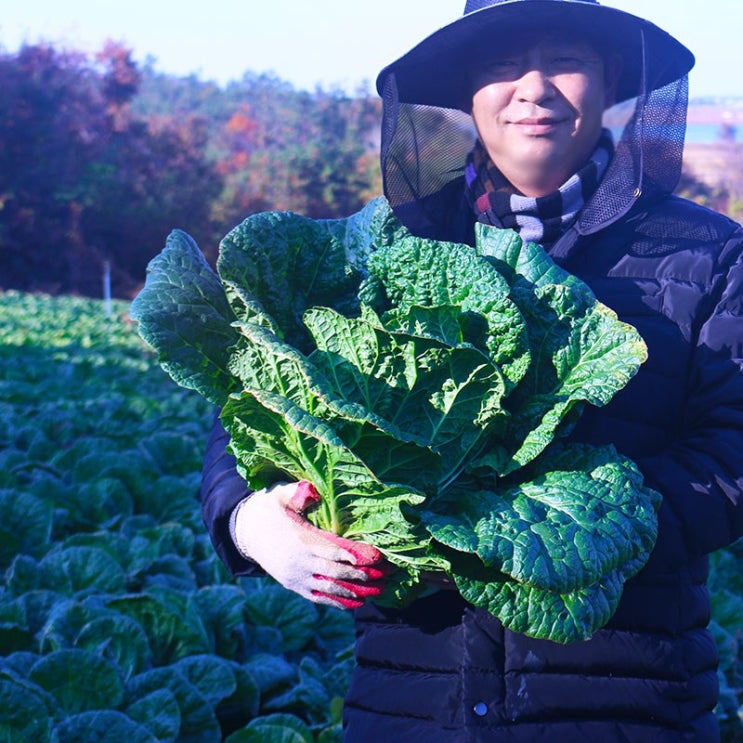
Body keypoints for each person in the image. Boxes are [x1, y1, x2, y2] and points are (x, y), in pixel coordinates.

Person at [200, 0, 743, 740]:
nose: (533, 87)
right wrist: (249, 518)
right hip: (412, 702)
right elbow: (252, 390)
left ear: (611, 78)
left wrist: (545, 525)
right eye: (499, 65)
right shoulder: (379, 247)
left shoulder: (709, 256)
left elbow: (731, 450)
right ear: (465, 93)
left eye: (564, 60)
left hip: (621, 704)